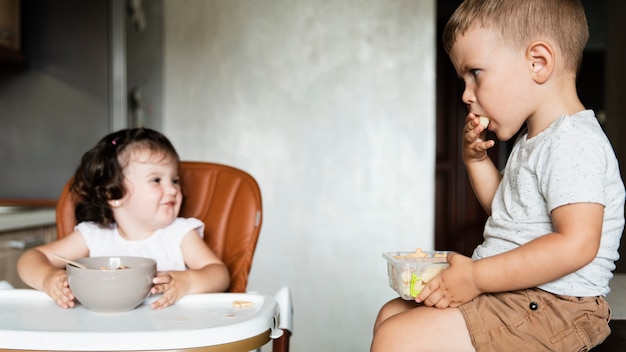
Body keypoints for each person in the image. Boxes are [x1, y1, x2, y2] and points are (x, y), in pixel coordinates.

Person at [371, 0, 625, 351]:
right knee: (391, 314)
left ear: (538, 62)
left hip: (556, 306)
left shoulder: (573, 143)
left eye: (475, 73)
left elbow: (577, 244)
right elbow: (509, 215)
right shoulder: (533, 141)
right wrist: (477, 162)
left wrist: (476, 277)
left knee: (397, 337)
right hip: (520, 296)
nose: (465, 94)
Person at [17, 128, 230, 310]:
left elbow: (219, 273)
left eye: (174, 180)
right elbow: (31, 257)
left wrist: (187, 282)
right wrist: (47, 279)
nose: (172, 189)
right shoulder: (95, 236)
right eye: (156, 180)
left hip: (167, 335)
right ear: (114, 195)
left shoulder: (179, 234)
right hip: (107, 335)